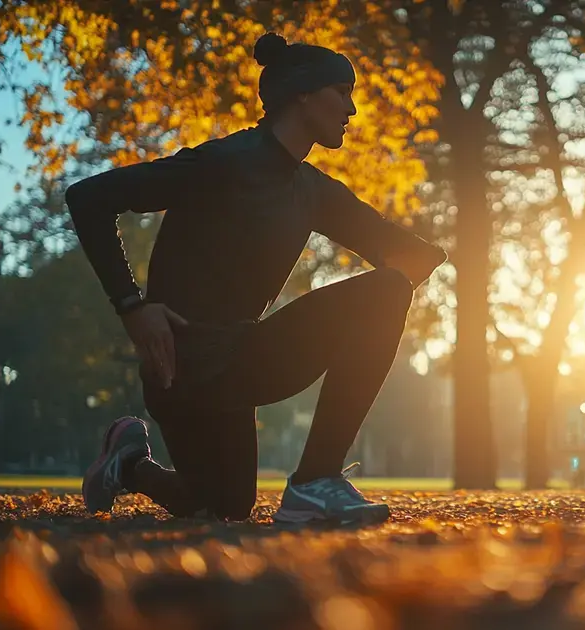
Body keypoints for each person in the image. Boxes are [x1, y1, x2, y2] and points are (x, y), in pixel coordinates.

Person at [66, 32, 447, 525]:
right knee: (222, 506)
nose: (352, 109)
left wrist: (386, 303)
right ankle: (134, 467)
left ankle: (314, 478)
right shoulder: (222, 163)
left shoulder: (313, 190)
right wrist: (132, 307)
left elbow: (413, 257)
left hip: (244, 360)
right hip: (180, 364)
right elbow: (88, 199)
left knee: (389, 289)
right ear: (303, 93)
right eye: (341, 92)